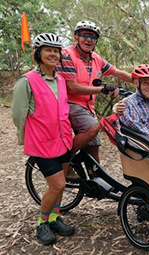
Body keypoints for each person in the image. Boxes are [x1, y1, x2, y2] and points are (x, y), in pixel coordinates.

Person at [12, 33, 76, 245]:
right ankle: (42, 222)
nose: (53, 54)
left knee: (62, 183)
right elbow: (19, 114)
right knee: (57, 185)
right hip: (42, 143)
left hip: (64, 140)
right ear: (39, 53)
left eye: (56, 51)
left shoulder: (60, 80)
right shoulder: (27, 81)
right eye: (48, 50)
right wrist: (24, 138)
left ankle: (55, 217)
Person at [58, 20, 132, 175]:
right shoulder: (67, 55)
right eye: (84, 35)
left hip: (88, 106)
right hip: (70, 103)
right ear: (76, 37)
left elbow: (117, 72)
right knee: (93, 128)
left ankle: (96, 179)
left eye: (93, 37)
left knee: (94, 145)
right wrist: (103, 90)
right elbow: (72, 87)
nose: (89, 40)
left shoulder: (95, 59)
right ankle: (64, 158)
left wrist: (141, 79)